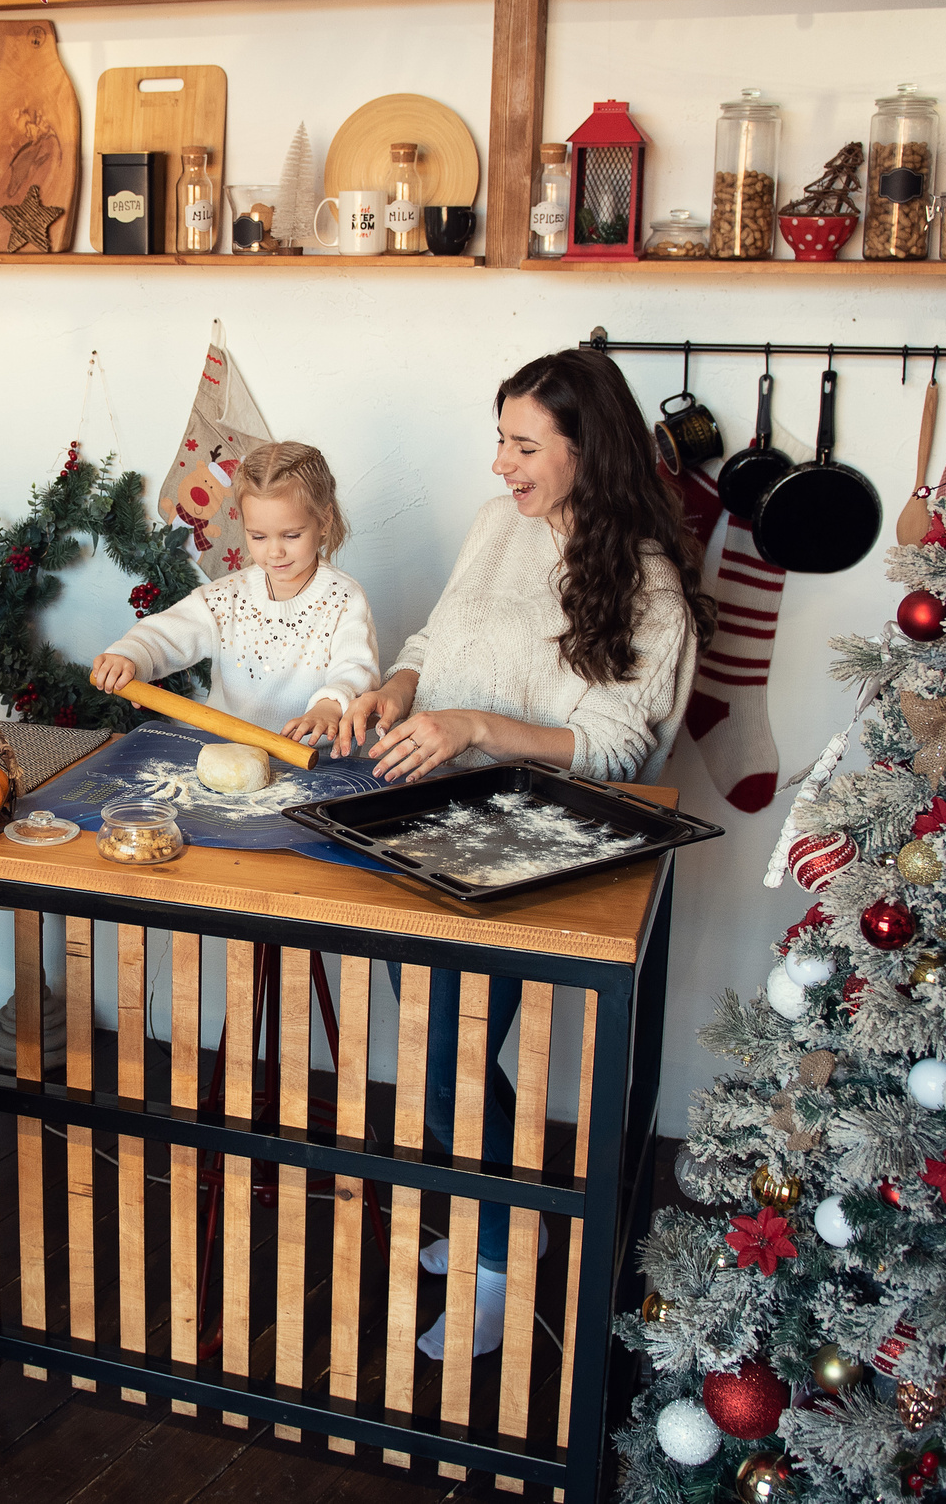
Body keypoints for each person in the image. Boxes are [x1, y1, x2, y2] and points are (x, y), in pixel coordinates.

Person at [336, 349, 712, 1362]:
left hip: (539, 844)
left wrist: (476, 726)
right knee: (428, 1046)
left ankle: (499, 1255)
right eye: (499, 437)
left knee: (453, 1056)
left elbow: (618, 745)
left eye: (523, 444)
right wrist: (402, 690)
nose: (500, 463)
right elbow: (437, 634)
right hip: (433, 814)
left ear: (588, 450)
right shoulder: (497, 521)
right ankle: (498, 1217)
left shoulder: (645, 581)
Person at [88, 441, 379, 741]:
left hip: (311, 765)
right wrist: (130, 656)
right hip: (224, 756)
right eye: (259, 536)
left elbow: (355, 669)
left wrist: (330, 706)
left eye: (291, 535)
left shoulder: (344, 599)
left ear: (325, 520)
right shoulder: (229, 595)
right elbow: (166, 634)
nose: (275, 551)